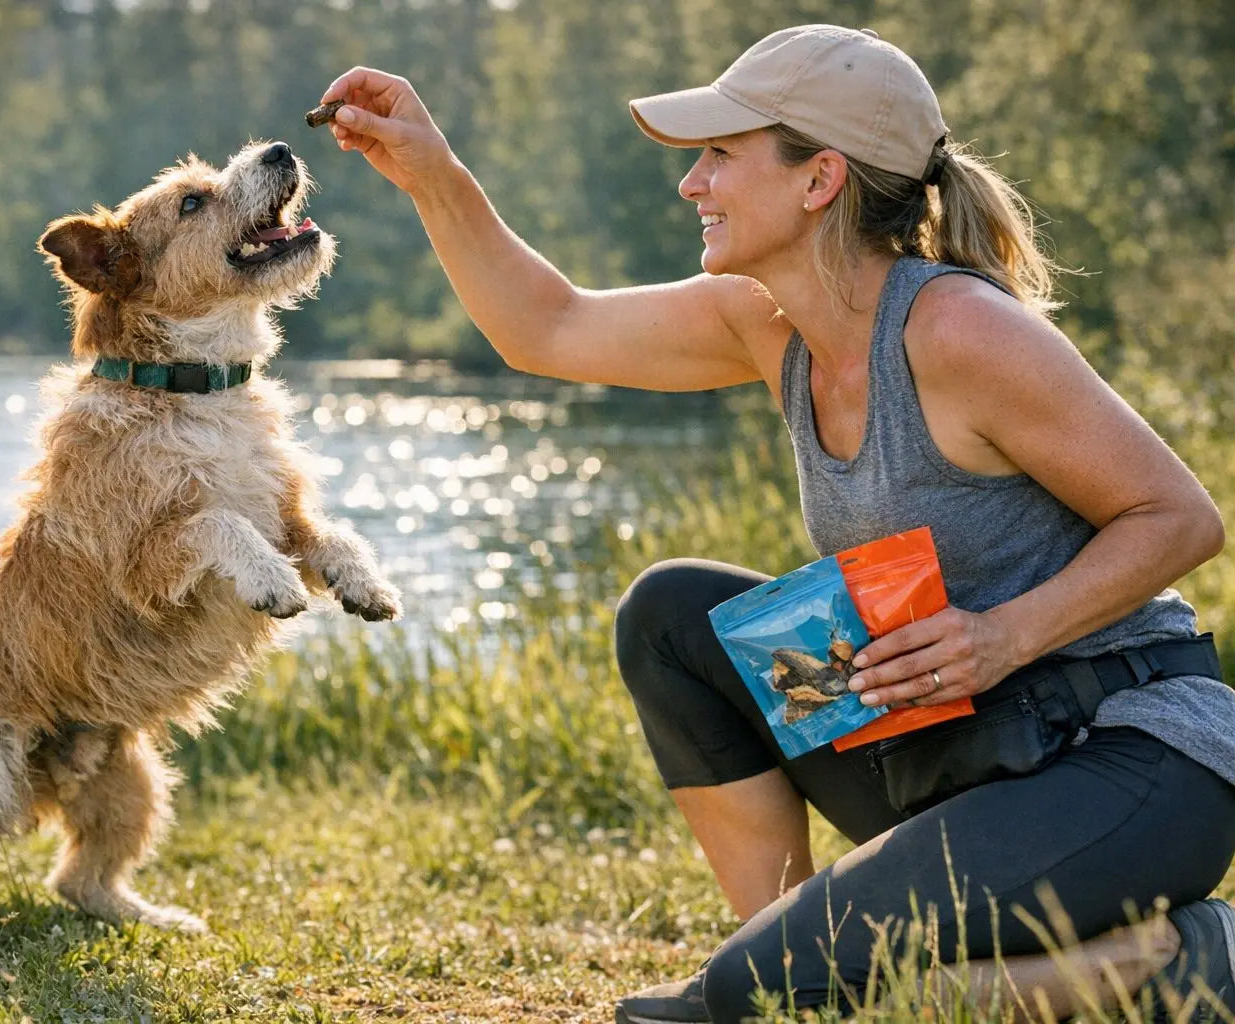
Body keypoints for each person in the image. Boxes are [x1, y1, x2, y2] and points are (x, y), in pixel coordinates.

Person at [318, 23, 1235, 1024]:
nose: (691, 183)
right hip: (960, 746)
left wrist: (999, 637)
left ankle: (1164, 958)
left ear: (819, 180)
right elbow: (548, 326)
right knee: (673, 616)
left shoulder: (961, 332)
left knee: (773, 994)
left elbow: (1179, 518)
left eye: (719, 154)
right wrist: (433, 175)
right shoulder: (764, 319)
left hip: (1128, 758)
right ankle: (794, 958)